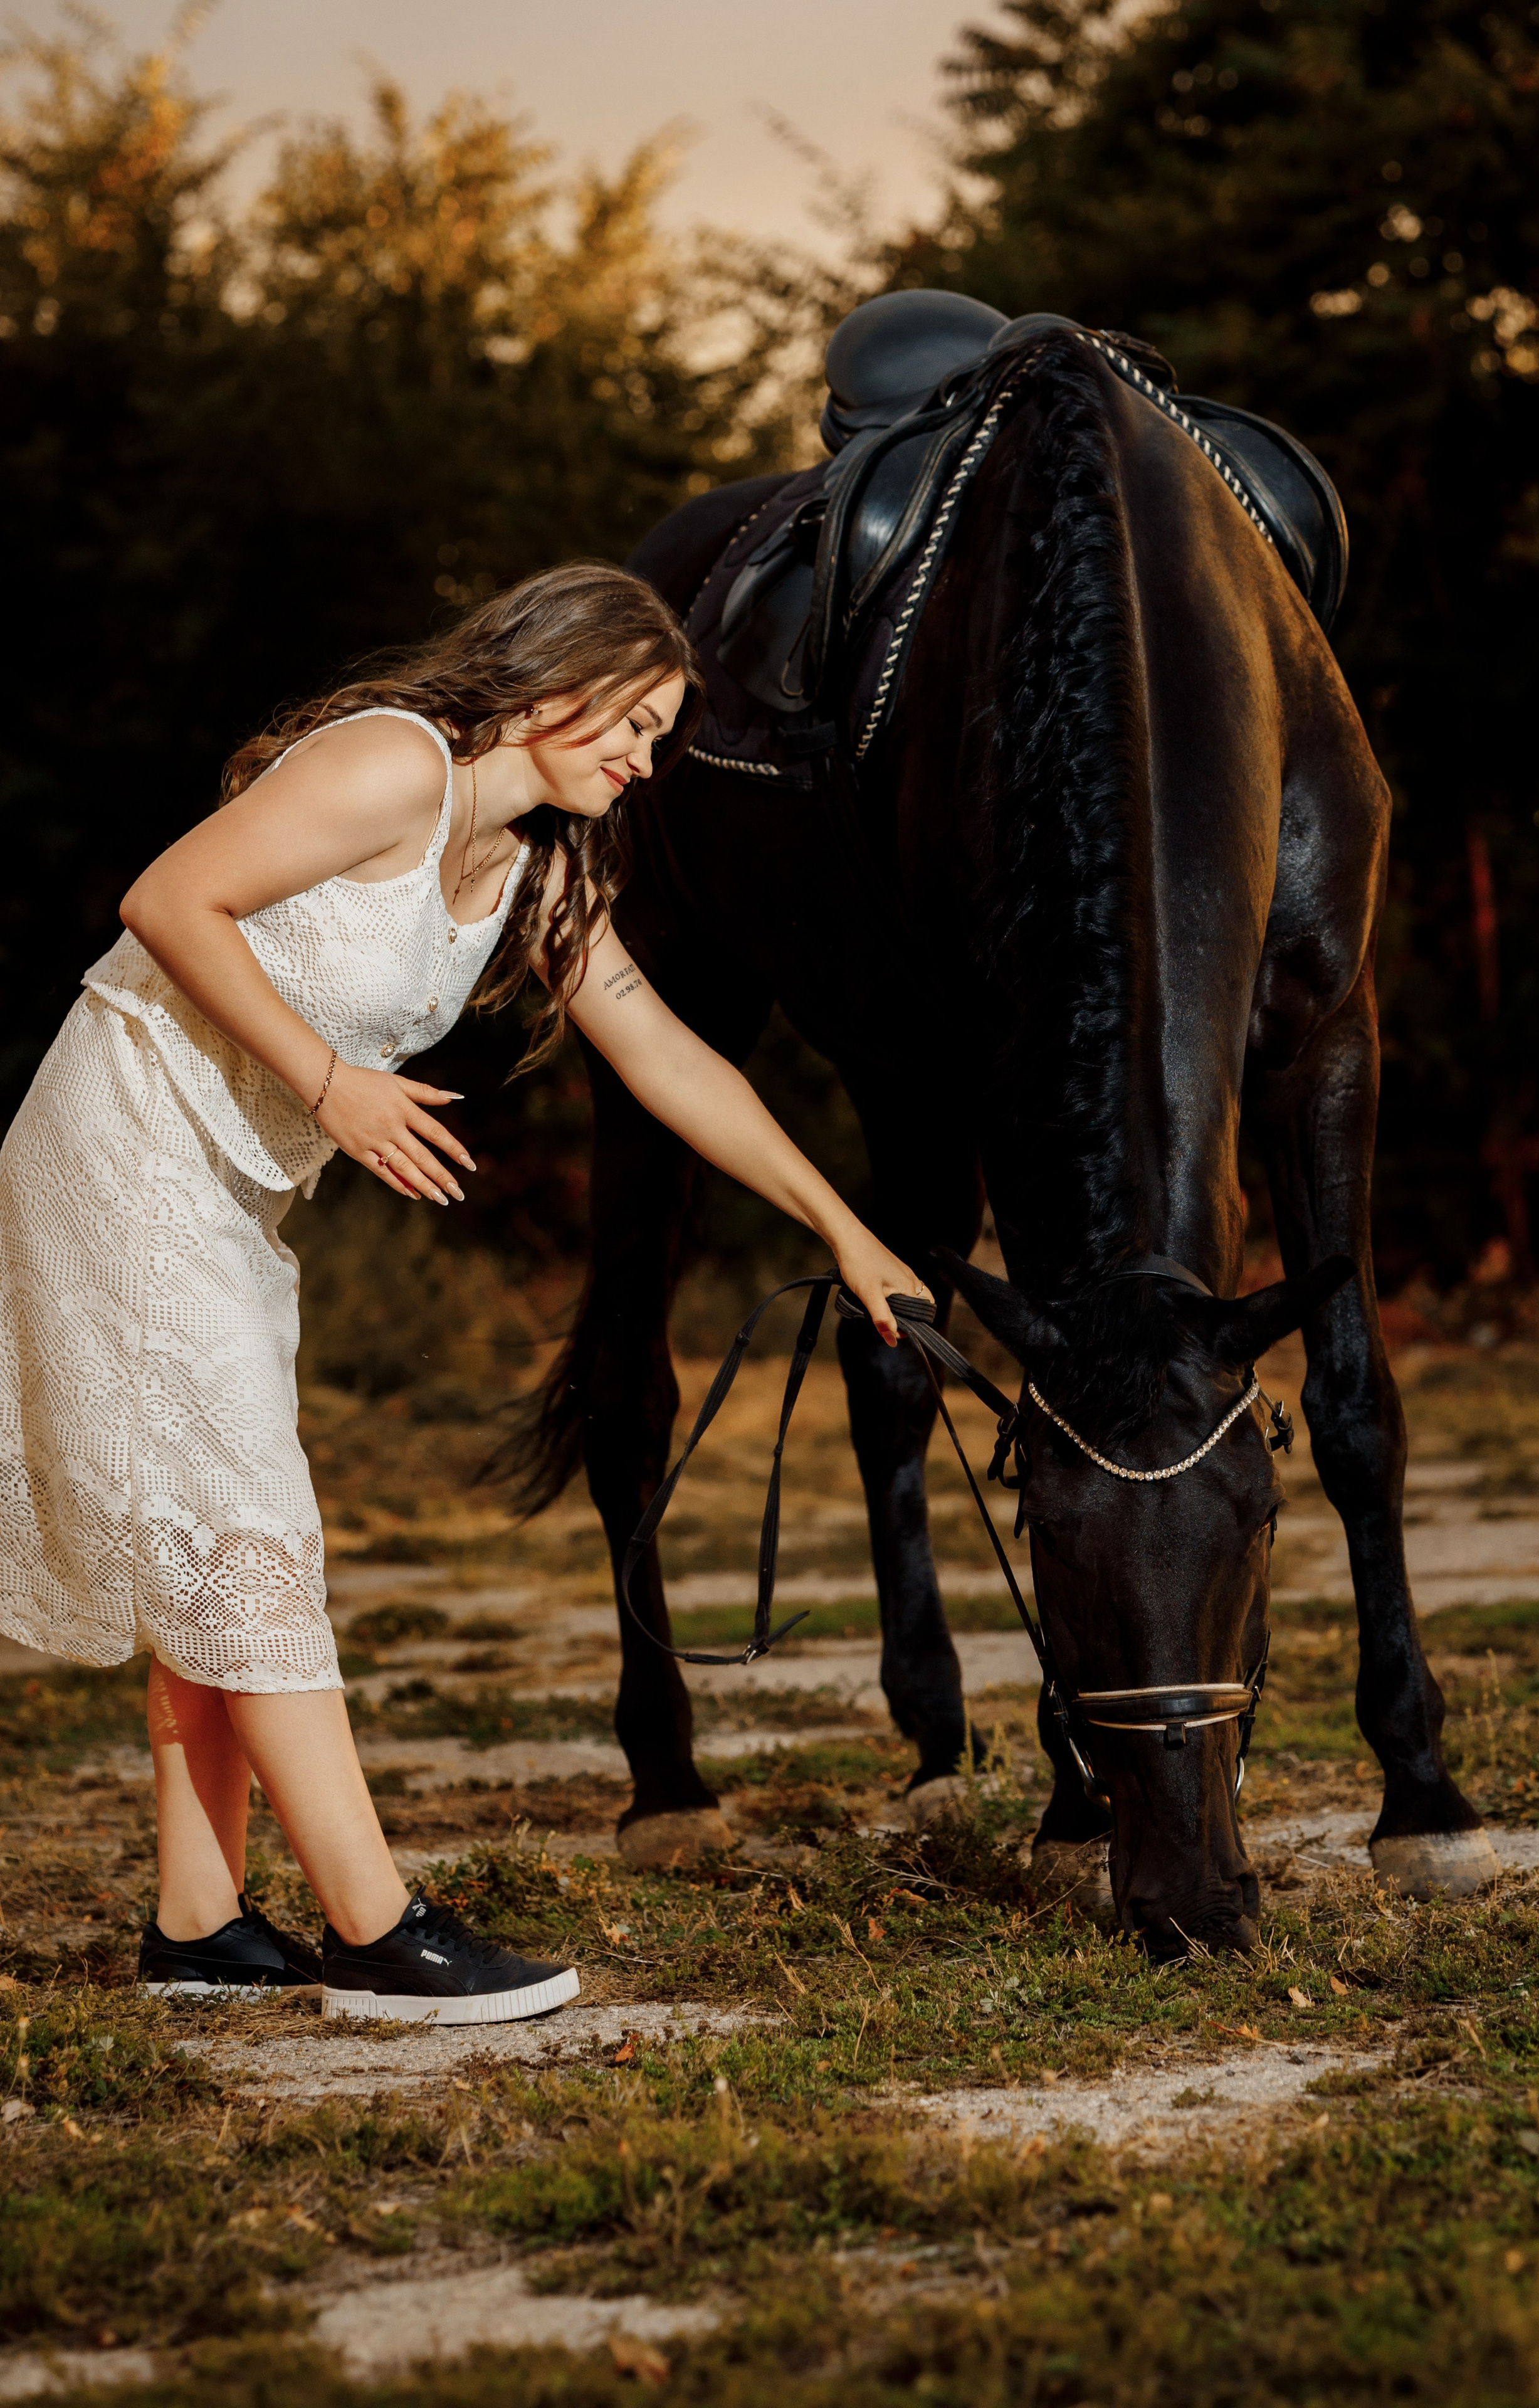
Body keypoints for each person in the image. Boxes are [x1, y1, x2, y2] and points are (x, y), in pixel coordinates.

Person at [0, 561, 930, 2024]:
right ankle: (373, 1926)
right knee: (244, 1518)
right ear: (554, 687)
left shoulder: (537, 869)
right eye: (634, 723)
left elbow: (665, 1054)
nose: (642, 761)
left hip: (233, 1190)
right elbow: (168, 897)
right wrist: (330, 1084)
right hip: (120, 1144)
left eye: (659, 736)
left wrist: (840, 1223)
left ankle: (197, 1923)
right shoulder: (392, 763)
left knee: (213, 1523)